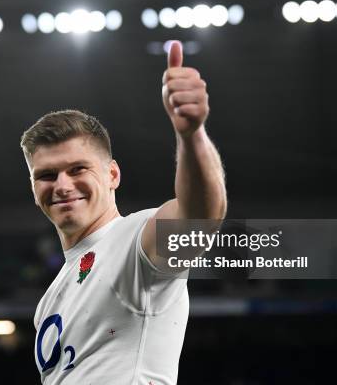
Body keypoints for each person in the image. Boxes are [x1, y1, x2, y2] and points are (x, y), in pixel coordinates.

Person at [20, 41, 227, 384]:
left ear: (112, 174)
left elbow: (201, 217)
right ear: (33, 188)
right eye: (46, 175)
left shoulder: (134, 241)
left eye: (77, 169)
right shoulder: (49, 300)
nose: (61, 185)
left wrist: (191, 136)